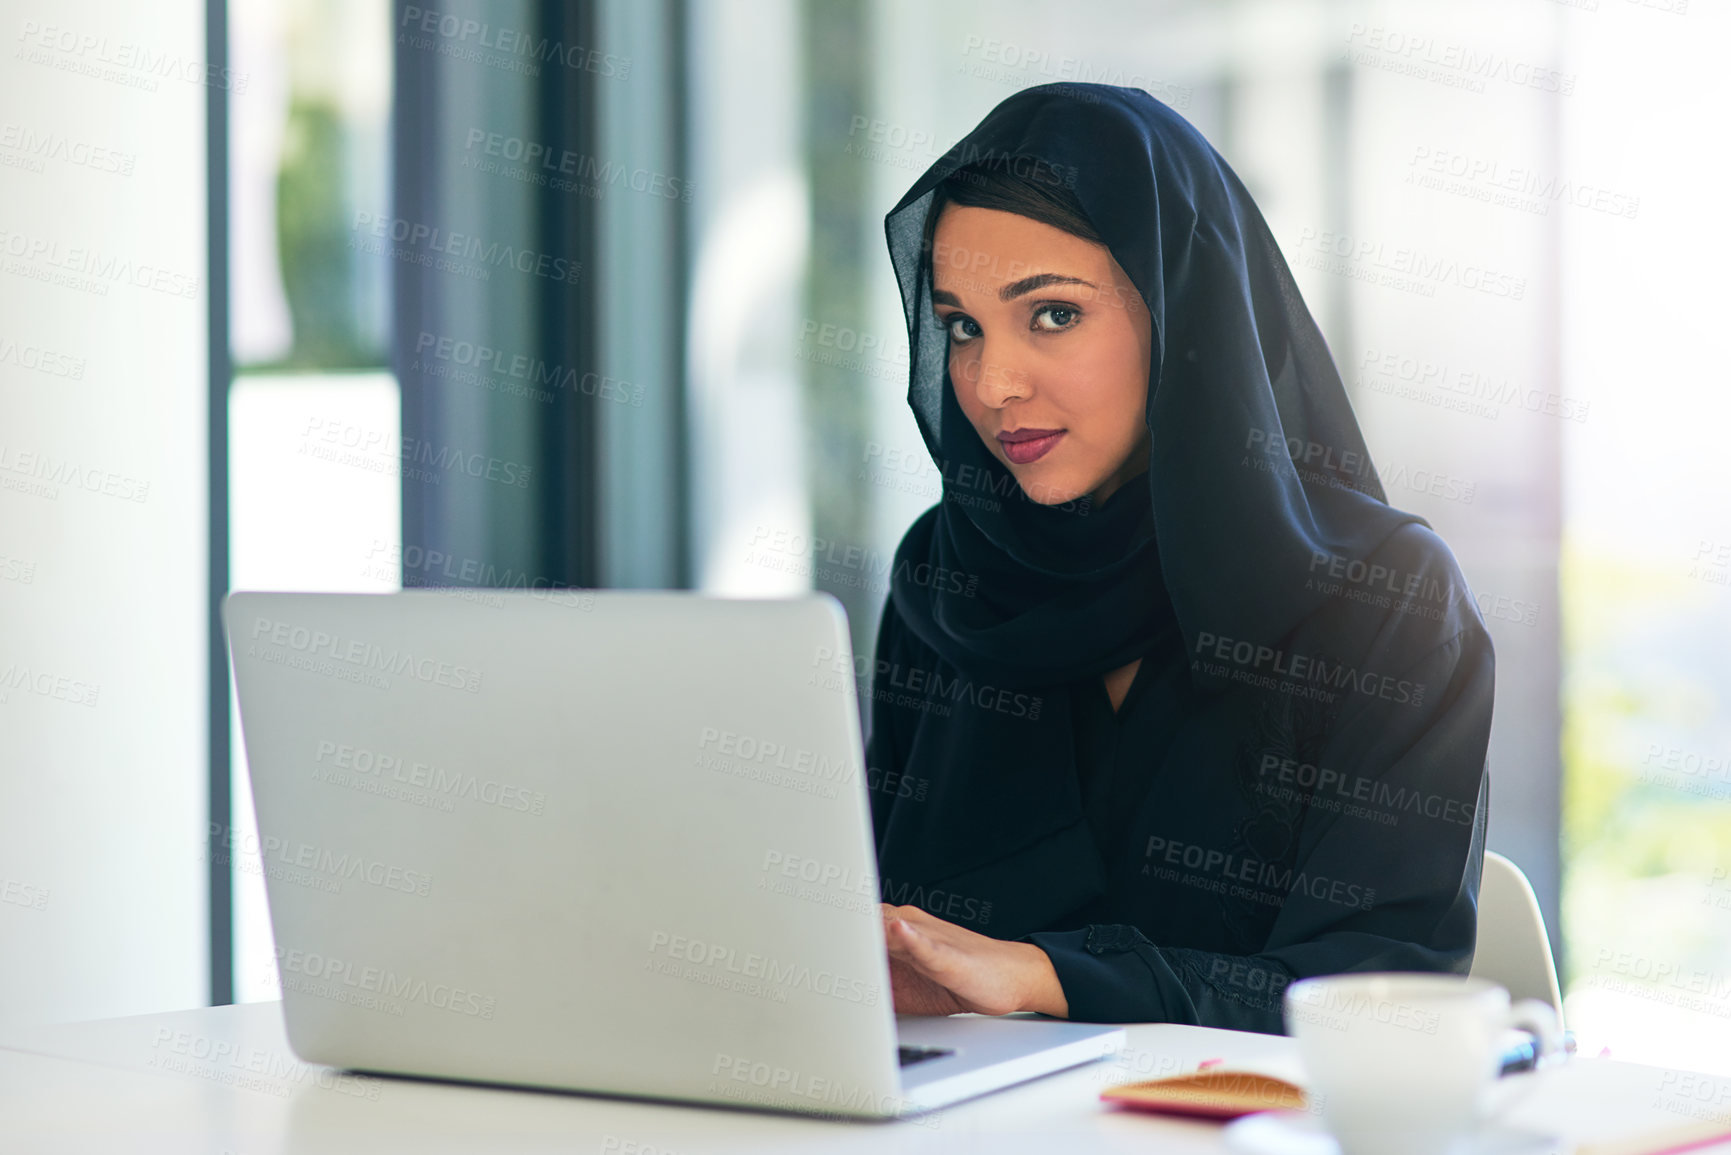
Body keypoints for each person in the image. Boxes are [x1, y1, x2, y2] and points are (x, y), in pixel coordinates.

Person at [867, 83, 1494, 1032]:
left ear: (1182, 314)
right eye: (961, 326)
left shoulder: (1383, 601)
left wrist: (1049, 978)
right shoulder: (944, 580)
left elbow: (1380, 982)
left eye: (1050, 315)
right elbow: (872, 923)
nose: (991, 384)